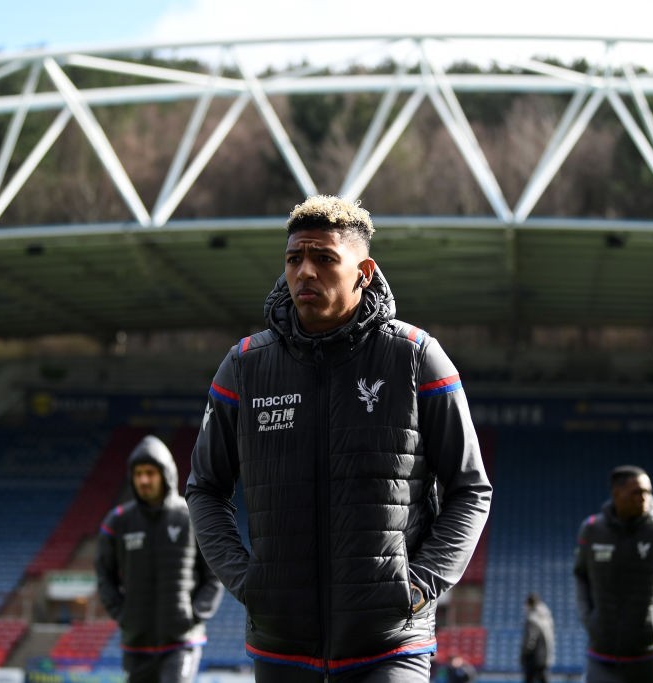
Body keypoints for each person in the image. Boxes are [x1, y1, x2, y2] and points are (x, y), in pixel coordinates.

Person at [186, 194, 493, 682]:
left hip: (389, 642)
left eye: (324, 258)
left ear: (363, 271)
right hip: (281, 643)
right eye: (294, 259)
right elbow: (205, 487)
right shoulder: (243, 366)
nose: (305, 271)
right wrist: (248, 582)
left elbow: (471, 490)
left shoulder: (416, 358)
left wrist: (419, 586)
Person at [96, 435, 224, 683]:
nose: (144, 480)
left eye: (150, 473)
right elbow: (104, 576)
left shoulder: (190, 517)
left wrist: (194, 613)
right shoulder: (118, 522)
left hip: (181, 642)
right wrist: (124, 615)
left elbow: (214, 573)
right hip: (137, 645)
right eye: (139, 473)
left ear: (165, 474)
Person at [573, 465, 653, 683]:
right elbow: (580, 575)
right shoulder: (591, 530)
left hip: (649, 654)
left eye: (647, 492)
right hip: (602, 653)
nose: (644, 498)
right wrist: (588, 617)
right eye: (637, 492)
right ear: (616, 493)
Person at [521, 592, 555, 683]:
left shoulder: (533, 619)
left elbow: (531, 640)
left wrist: (524, 655)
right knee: (542, 678)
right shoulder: (546, 618)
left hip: (534, 658)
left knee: (530, 679)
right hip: (544, 657)